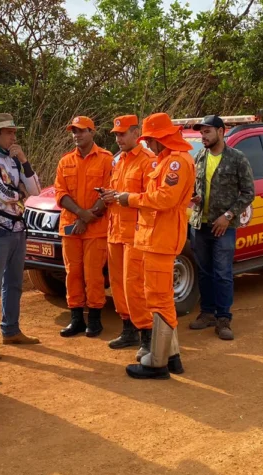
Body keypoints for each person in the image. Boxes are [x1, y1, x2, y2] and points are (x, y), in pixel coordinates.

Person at [105, 113, 195, 380]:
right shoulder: (168, 159)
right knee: (159, 297)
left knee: (158, 299)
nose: (148, 144)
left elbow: (165, 198)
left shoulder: (177, 162)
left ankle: (157, 364)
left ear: (160, 138)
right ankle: (171, 356)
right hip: (154, 238)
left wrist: (130, 199)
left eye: (150, 139)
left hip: (161, 239)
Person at [0, 113, 42, 360]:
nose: (14, 136)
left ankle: (11, 330)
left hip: (17, 229)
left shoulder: (12, 159)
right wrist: (19, 193)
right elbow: (2, 194)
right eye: (9, 132)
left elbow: (36, 190)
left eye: (14, 131)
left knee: (14, 284)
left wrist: (24, 161)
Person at [188, 115, 255, 341]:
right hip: (200, 224)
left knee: (223, 273)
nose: (203, 136)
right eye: (201, 132)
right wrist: (194, 197)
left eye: (207, 132)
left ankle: (223, 319)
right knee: (204, 272)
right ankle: (207, 313)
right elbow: (194, 187)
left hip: (223, 227)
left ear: (220, 131)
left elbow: (248, 193)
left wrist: (228, 216)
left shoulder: (237, 158)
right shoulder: (200, 157)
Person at [54, 116, 113, 338]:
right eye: (74, 131)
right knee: (73, 273)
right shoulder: (65, 161)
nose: (76, 135)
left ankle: (95, 319)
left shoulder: (106, 159)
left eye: (81, 131)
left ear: (92, 132)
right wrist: (80, 214)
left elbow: (108, 192)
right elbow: (60, 193)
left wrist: (87, 218)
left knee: (93, 274)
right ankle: (76, 318)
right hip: (71, 228)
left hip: (95, 228)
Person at [105, 115, 155, 349]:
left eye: (122, 134)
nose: (118, 138)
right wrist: (109, 196)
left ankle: (147, 334)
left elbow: (152, 198)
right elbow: (117, 193)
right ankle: (128, 329)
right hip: (115, 231)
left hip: (136, 234)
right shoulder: (119, 160)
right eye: (116, 134)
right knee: (118, 284)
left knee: (134, 285)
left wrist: (127, 198)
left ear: (136, 133)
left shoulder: (148, 160)